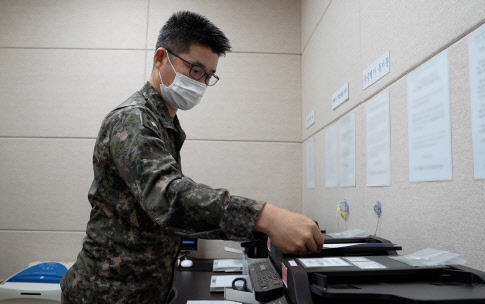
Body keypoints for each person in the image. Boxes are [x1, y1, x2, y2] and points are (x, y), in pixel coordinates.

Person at [60, 11, 323, 304]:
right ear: (161, 57)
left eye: (208, 76)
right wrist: (265, 216)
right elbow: (170, 197)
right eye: (195, 70)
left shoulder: (164, 125)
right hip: (105, 294)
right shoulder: (133, 120)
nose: (201, 83)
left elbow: (173, 215)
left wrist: (256, 228)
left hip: (147, 291)